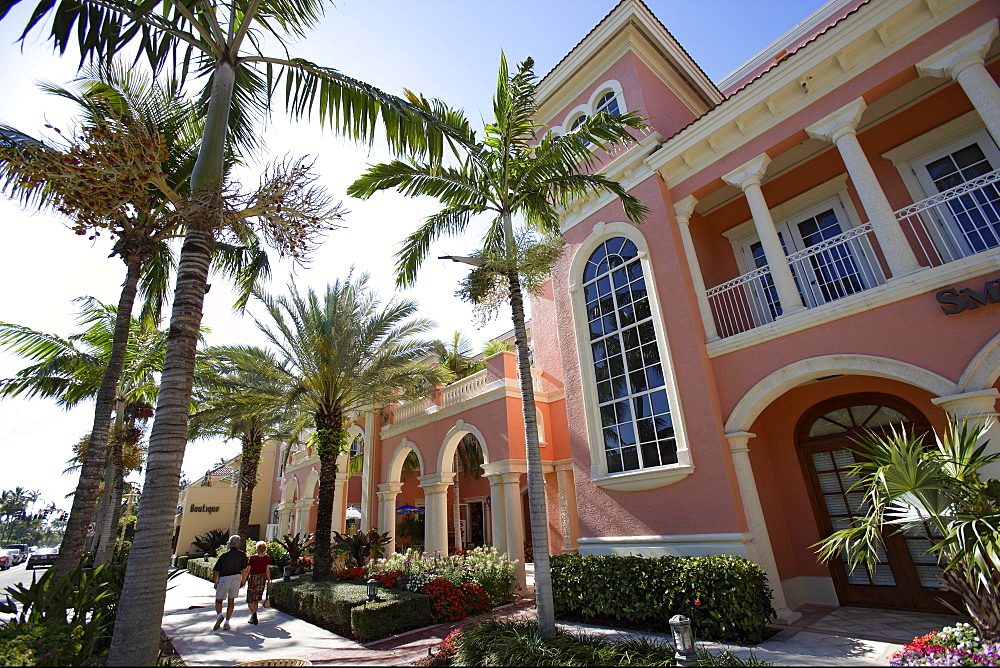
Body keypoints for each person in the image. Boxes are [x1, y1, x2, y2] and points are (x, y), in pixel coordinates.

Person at [212, 535, 249, 631]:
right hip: (236, 578)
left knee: (219, 600)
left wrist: (216, 581)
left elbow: (216, 570)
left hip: (224, 578)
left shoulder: (224, 555)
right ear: (239, 544)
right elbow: (245, 569)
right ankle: (227, 622)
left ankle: (219, 615)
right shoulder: (242, 555)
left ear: (229, 543)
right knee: (231, 601)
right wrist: (243, 580)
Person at [241, 541, 272, 625]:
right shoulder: (267, 558)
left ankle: (253, 614)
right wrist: (268, 581)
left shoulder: (253, 558)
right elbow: (267, 570)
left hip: (253, 578)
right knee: (256, 598)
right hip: (262, 578)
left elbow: (248, 571)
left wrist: (243, 580)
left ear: (257, 549)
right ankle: (253, 616)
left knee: (250, 598)